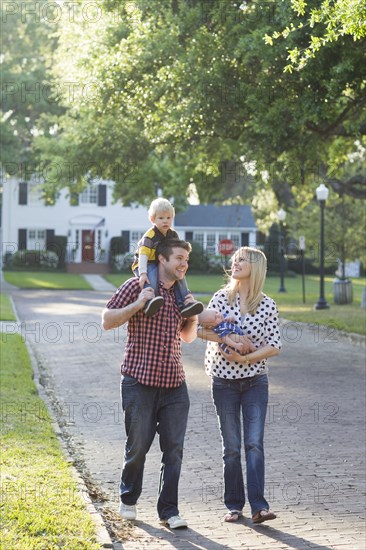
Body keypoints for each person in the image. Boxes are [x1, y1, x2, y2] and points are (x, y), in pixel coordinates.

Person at [102, 239, 199, 529]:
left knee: (174, 450)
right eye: (179, 258)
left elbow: (189, 337)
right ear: (162, 260)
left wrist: (192, 314)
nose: (183, 264)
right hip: (139, 381)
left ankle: (169, 510)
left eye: (186, 260)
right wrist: (138, 304)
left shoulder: (181, 295)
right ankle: (128, 499)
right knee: (138, 447)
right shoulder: (137, 286)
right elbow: (107, 320)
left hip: (174, 384)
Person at [197, 246, 282, 524]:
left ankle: (259, 507)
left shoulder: (267, 304)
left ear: (255, 267)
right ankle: (234, 506)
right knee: (231, 446)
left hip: (255, 381)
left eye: (242, 260)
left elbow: (274, 346)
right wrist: (226, 341)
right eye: (235, 260)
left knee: (254, 444)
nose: (235, 263)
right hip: (223, 382)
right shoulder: (221, 298)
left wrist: (246, 360)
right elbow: (200, 329)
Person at [131, 197, 203, 318]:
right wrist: (143, 273)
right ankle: (150, 302)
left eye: (168, 218)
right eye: (161, 218)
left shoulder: (172, 234)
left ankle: (185, 304)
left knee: (179, 276)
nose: (165, 221)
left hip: (160, 261)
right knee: (152, 277)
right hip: (145, 263)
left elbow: (176, 250)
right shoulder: (150, 236)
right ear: (152, 219)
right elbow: (143, 256)